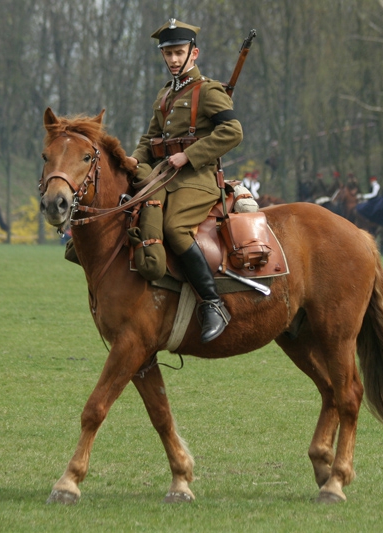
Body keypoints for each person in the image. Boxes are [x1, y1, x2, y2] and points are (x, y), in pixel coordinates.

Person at [125, 18, 243, 343]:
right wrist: (134, 160)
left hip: (198, 179)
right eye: (169, 54)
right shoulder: (164, 96)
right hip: (164, 178)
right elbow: (149, 140)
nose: (174, 60)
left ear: (194, 53)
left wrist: (189, 156)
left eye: (179, 53)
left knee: (174, 228)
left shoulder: (207, 91)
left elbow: (233, 132)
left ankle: (213, 304)